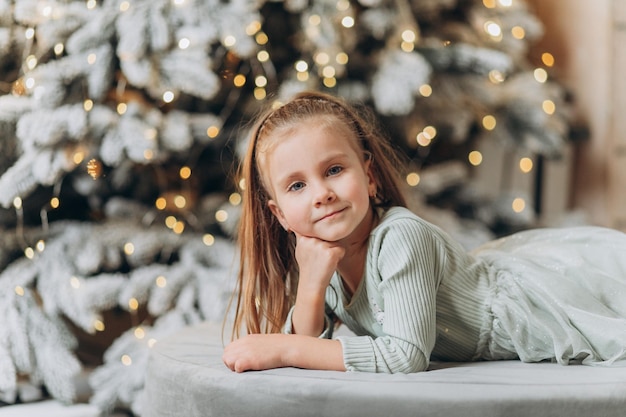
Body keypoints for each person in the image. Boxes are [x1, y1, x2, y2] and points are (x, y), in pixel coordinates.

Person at [222, 91, 626, 374]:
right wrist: (310, 285)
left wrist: (284, 348)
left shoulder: (399, 238)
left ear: (370, 176)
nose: (322, 194)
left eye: (334, 170)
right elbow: (314, 334)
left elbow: (405, 356)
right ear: (279, 214)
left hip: (519, 310)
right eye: (297, 186)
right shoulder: (322, 251)